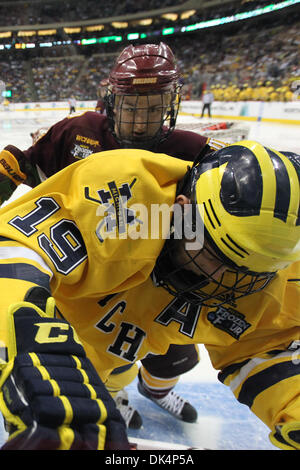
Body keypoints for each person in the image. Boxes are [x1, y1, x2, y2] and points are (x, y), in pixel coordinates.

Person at [0, 140, 299, 451]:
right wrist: (30, 345)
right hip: (54, 339)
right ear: (184, 212)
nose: (223, 280)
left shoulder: (268, 262)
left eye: (249, 272)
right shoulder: (123, 194)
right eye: (217, 256)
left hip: (119, 357)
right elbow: (13, 253)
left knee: (115, 384)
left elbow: (267, 348)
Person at [0, 43, 228, 429]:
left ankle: (154, 391)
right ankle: (116, 393)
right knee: (97, 356)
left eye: (153, 108)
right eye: (132, 107)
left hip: (160, 285)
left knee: (176, 358)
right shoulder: (77, 133)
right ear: (111, 100)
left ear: (171, 104)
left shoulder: (197, 154)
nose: (141, 123)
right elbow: (22, 165)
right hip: (86, 279)